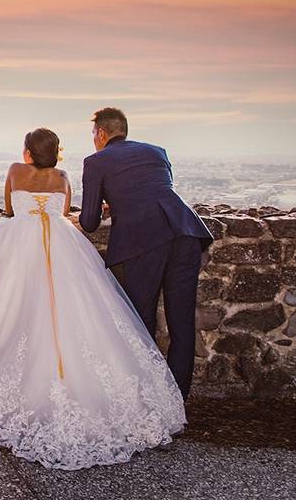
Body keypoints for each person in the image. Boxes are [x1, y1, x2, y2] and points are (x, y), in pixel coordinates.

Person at [0, 127, 187, 471]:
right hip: (64, 246)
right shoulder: (62, 176)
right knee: (82, 317)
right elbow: (64, 213)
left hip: (21, 247)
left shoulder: (16, 171)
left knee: (18, 313)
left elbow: (9, 210)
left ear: (28, 152)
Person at [78, 107, 214, 402]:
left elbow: (88, 222)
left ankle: (147, 399)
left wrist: (107, 206)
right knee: (181, 323)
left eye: (93, 134)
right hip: (185, 232)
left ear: (101, 133)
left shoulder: (96, 161)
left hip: (143, 242)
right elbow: (155, 191)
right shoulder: (157, 152)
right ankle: (177, 400)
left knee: (141, 321)